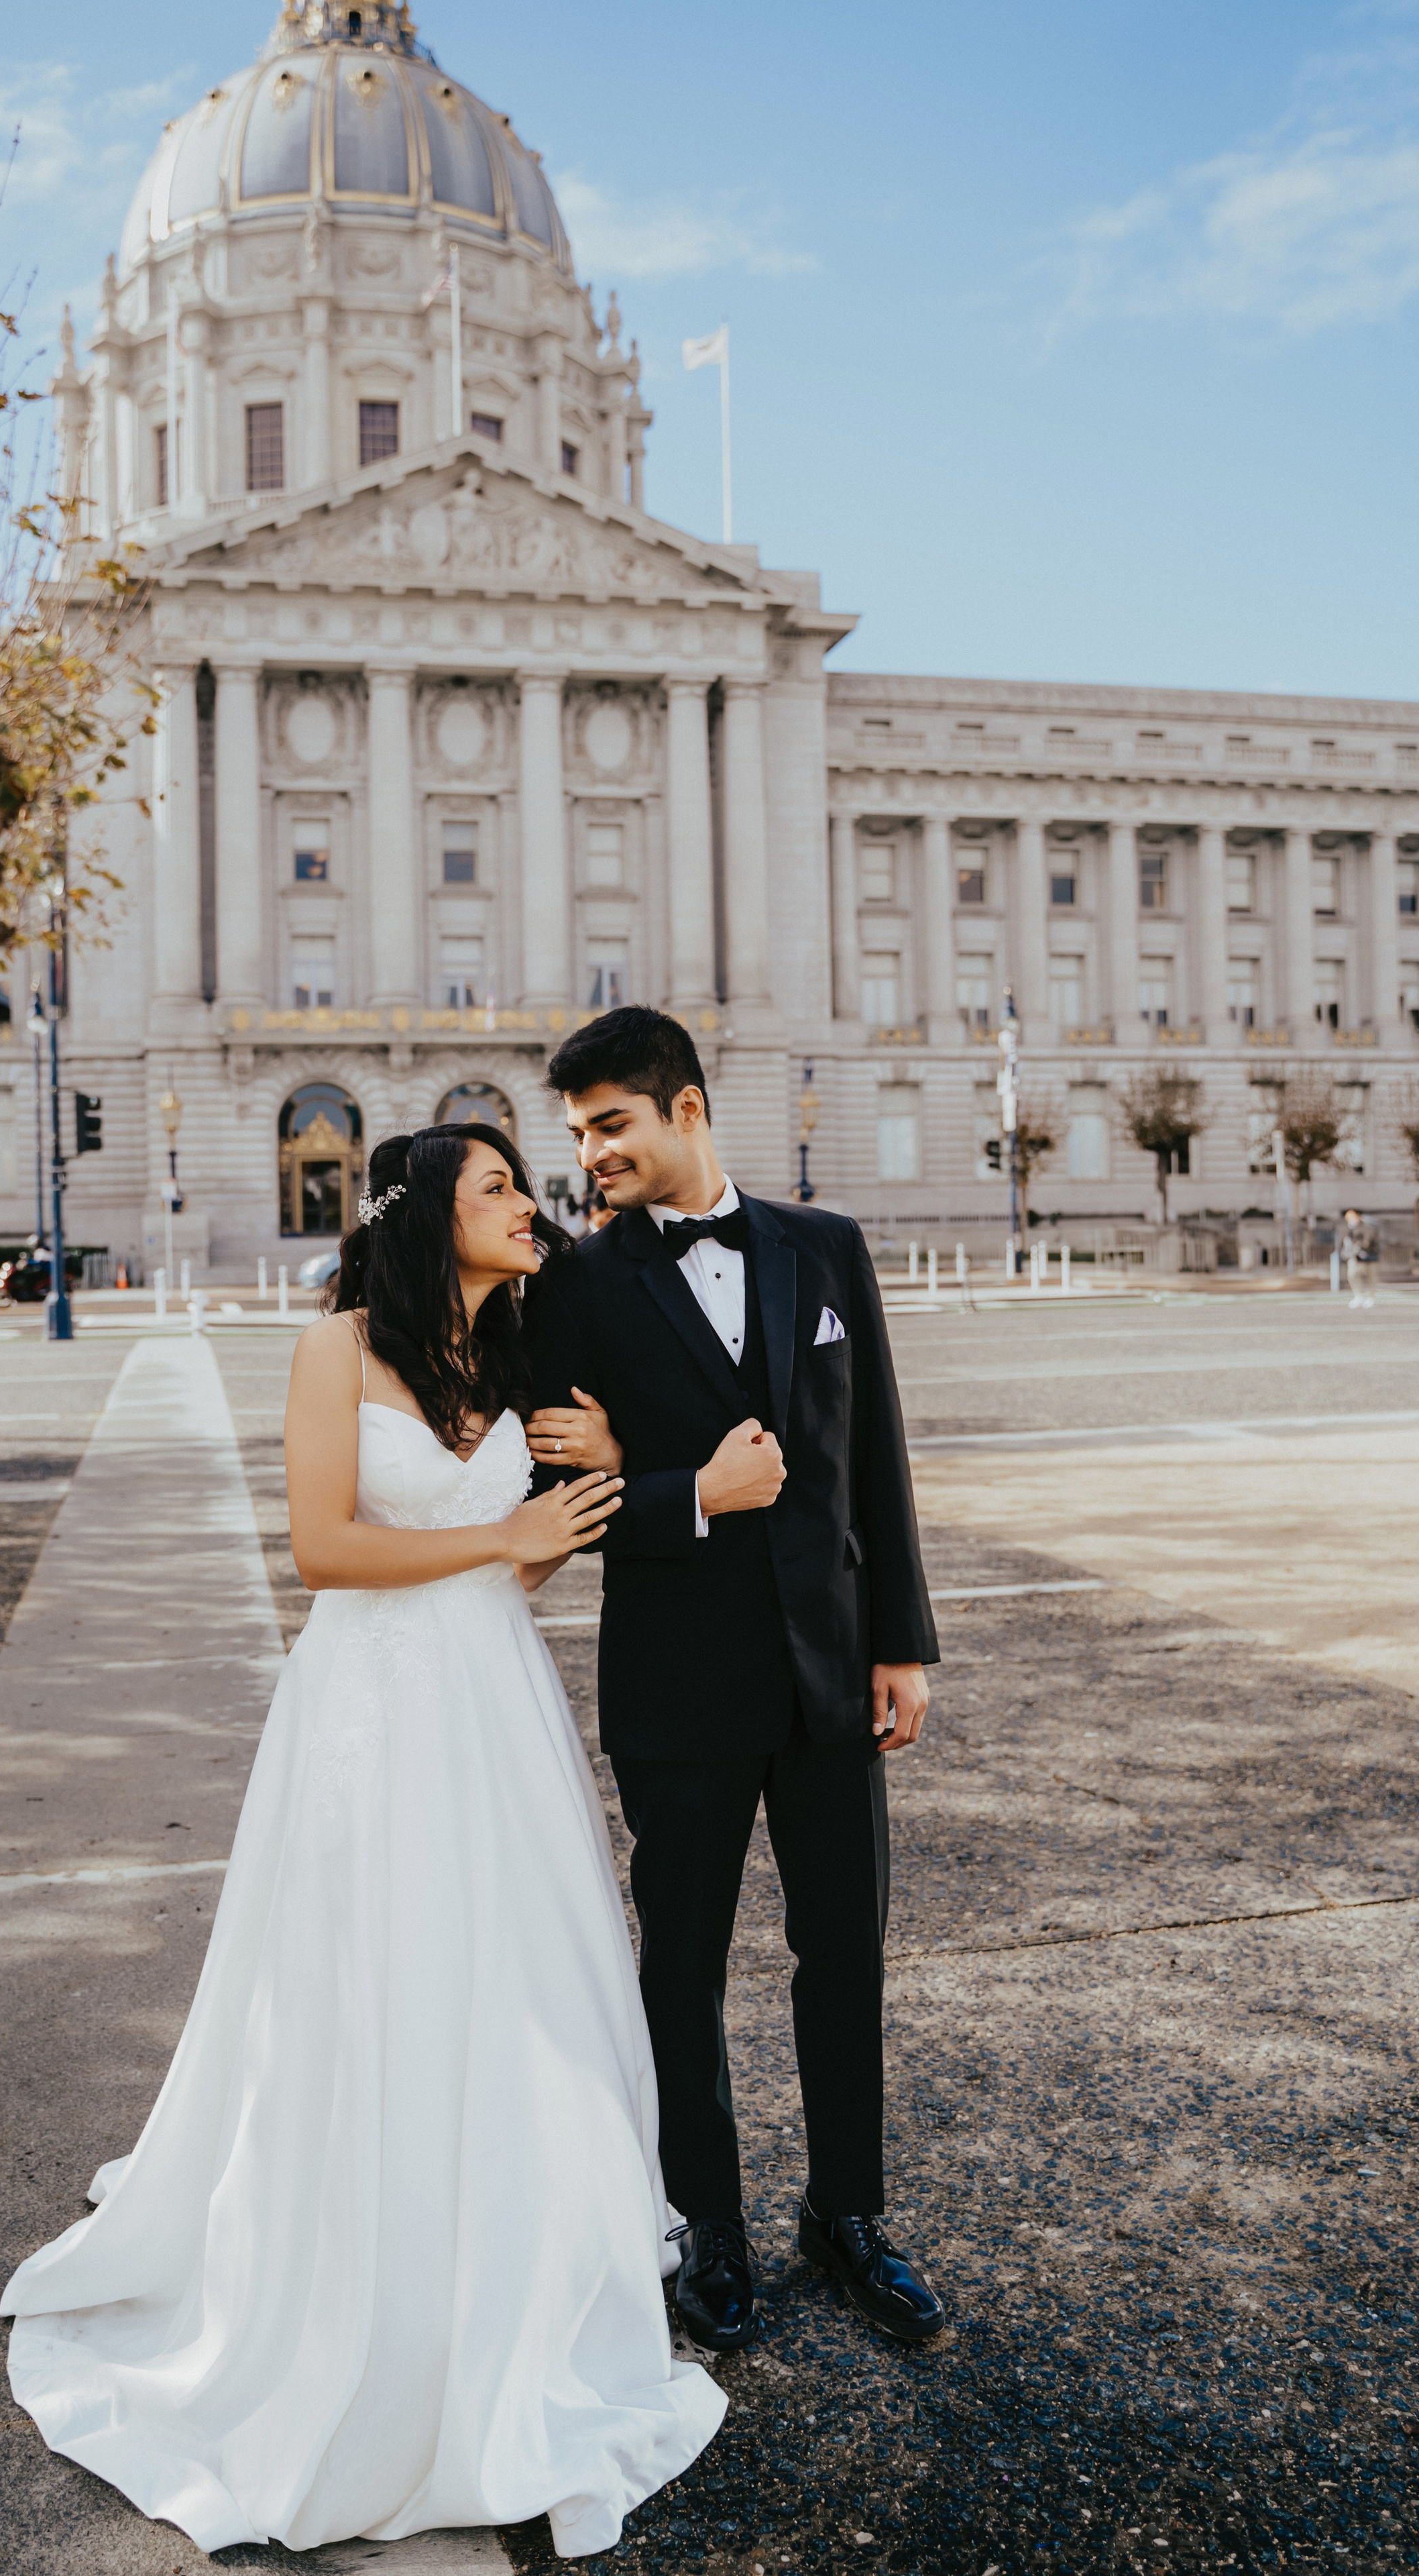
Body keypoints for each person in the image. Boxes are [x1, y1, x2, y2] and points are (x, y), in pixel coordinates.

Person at [0, 1122, 725, 2559]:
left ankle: (513, 2262)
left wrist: (606, 1476)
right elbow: (323, 1550)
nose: (529, 1205)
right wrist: (503, 1540)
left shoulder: (517, 1355)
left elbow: (550, 1527)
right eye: (498, 1187)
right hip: (370, 1705)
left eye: (526, 1182)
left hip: (494, 1703)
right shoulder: (336, 1349)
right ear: (422, 1215)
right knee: (373, 1977)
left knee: (516, 1981)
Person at [524, 1007, 945, 2357]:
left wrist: (902, 1641)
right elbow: (555, 1498)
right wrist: (680, 1494)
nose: (589, 1153)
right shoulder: (574, 1289)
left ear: (685, 1109)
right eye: (577, 1132)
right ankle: (703, 2228)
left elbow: (869, 1451)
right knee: (681, 1971)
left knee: (844, 1957)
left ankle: (850, 2215)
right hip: (676, 1690)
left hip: (829, 1675)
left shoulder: (825, 1249)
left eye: (610, 1125)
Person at [1339, 1207, 1376, 1307]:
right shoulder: (1348, 1228)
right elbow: (1344, 1242)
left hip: (1367, 1257)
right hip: (1353, 1258)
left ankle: (1371, 1297)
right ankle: (1359, 1296)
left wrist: (1359, 1247)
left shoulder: (1367, 1227)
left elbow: (1368, 1240)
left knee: (1369, 1278)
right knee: (1352, 1275)